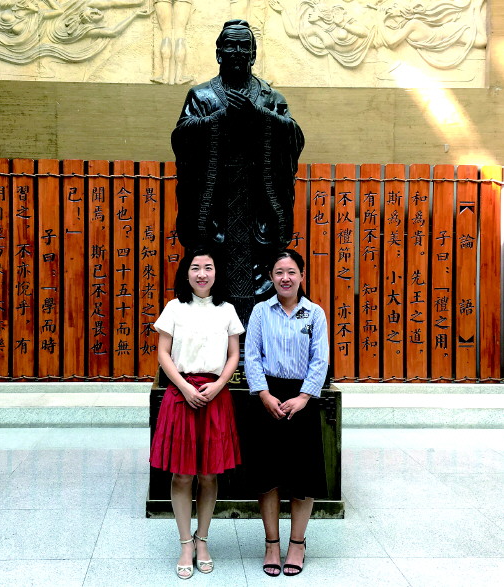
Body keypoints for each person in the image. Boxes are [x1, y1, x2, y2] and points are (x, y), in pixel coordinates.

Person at [171, 19, 304, 326]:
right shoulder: (201, 96)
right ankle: (217, 337)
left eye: (245, 46)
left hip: (258, 203)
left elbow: (294, 137)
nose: (237, 51)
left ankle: (257, 335)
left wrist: (258, 115)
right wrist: (220, 117)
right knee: (213, 265)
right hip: (216, 203)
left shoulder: (270, 98)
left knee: (262, 267)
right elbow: (181, 138)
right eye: (230, 45)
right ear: (218, 52)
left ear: (253, 54)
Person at [149, 247, 244, 579]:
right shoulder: (174, 308)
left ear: (216, 272)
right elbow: (163, 353)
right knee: (181, 475)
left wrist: (219, 385)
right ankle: (185, 543)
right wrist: (185, 388)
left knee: (208, 474)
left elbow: (234, 354)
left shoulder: (227, 310)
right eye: (195, 267)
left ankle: (203, 540)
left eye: (208, 267)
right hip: (181, 394)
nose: (202, 274)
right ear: (186, 273)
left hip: (215, 395)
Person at [244, 249, 329, 577]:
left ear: (302, 276)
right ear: (271, 277)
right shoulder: (260, 311)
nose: (285, 278)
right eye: (279, 272)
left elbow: (320, 359)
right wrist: (264, 394)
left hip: (302, 400)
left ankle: (297, 543)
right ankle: (271, 544)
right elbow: (251, 355)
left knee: (302, 477)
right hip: (267, 397)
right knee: (267, 477)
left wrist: (304, 396)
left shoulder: (314, 314)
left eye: (292, 272)